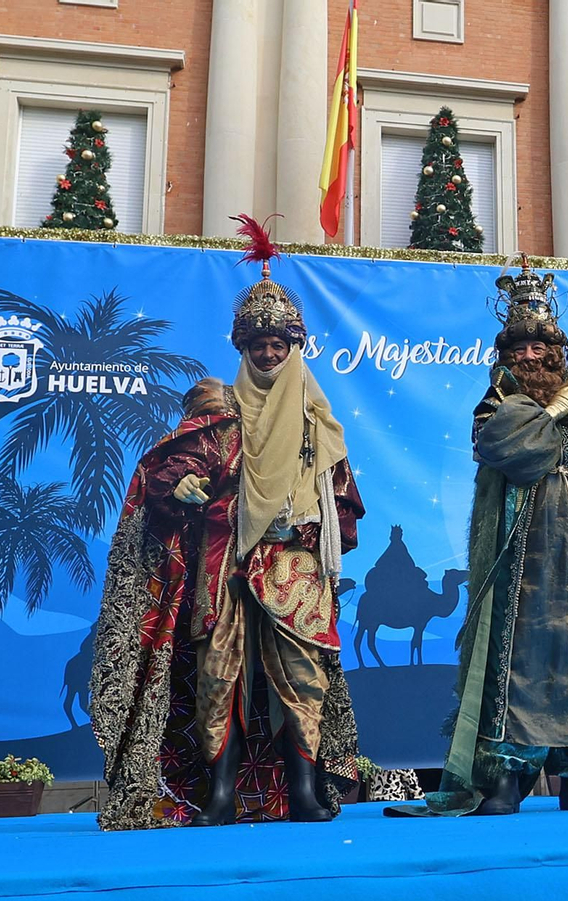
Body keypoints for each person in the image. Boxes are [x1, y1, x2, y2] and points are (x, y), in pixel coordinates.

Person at [90, 215, 364, 829]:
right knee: (219, 676)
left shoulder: (319, 421)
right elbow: (170, 466)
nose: (268, 353)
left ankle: (302, 791)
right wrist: (179, 485)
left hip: (295, 565)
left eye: (278, 344)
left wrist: (311, 528)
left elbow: (343, 502)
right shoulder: (220, 409)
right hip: (226, 562)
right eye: (257, 345)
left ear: (295, 348)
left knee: (303, 677)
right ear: (242, 349)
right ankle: (218, 794)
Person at [392, 259, 568, 817]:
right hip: (519, 562)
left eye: (538, 347)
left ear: (556, 352)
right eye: (518, 348)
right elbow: (512, 447)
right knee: (515, 659)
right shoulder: (496, 404)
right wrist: (563, 405)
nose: (528, 356)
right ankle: (504, 776)